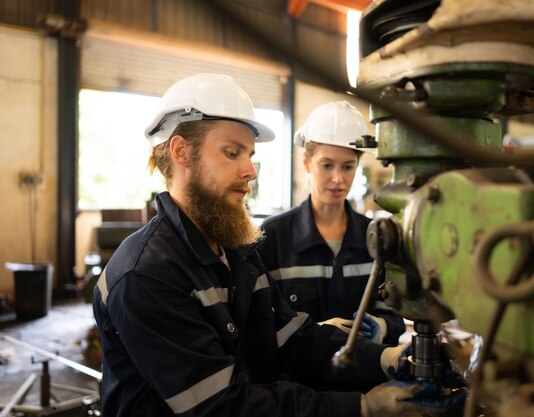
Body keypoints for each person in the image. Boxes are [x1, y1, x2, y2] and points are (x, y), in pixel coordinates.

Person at [92, 73, 424, 417]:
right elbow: (223, 406)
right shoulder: (146, 274)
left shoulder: (237, 251)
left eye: (249, 154)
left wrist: (385, 358)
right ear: (181, 152)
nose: (251, 170)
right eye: (232, 152)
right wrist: (363, 408)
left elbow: (295, 341)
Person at [258, 101, 405, 345]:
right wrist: (308, 333)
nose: (338, 179)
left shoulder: (376, 236)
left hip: (361, 377)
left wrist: (383, 325)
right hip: (295, 380)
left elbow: (394, 312)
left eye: (348, 167)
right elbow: (259, 322)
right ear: (307, 163)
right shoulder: (272, 237)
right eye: (326, 165)